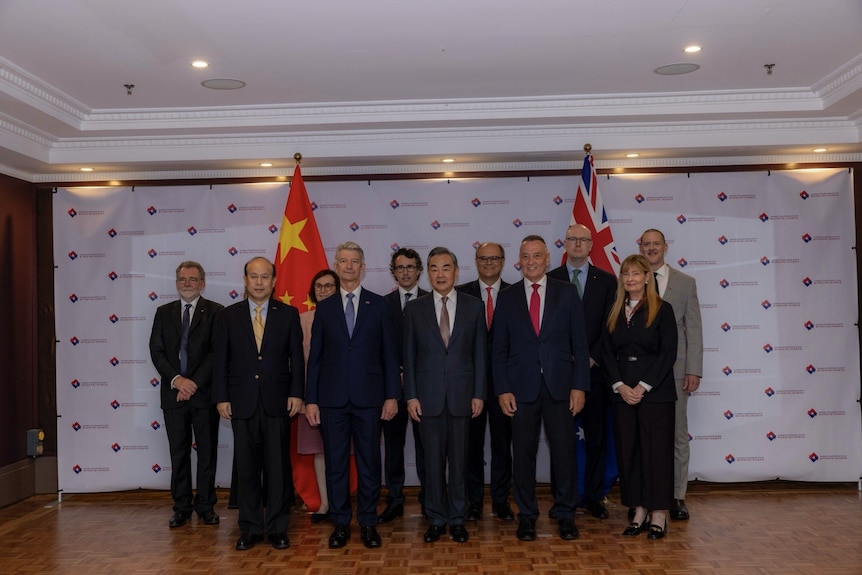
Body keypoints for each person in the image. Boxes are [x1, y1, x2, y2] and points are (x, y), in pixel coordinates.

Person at [492, 235, 590, 542]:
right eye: (525, 256)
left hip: (561, 388)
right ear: (518, 261)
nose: (531, 261)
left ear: (548, 258)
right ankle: (527, 515)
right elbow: (499, 350)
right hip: (521, 390)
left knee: (564, 454)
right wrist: (503, 389)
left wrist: (579, 386)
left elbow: (580, 343)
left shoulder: (566, 292)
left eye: (537, 255)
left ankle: (564, 514)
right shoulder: (507, 298)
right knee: (523, 455)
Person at [305, 241, 401, 550]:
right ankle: (341, 524)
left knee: (370, 463)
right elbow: (316, 357)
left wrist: (391, 396)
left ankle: (369, 523)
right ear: (336, 265)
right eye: (343, 261)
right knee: (335, 466)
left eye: (354, 261)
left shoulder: (380, 305)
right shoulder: (325, 307)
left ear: (363, 267)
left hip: (370, 399)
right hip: (331, 400)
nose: (348, 266)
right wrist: (311, 400)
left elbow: (390, 355)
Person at [212, 257, 304, 551]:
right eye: (254, 276)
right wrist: (222, 397)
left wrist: (297, 393)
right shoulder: (228, 316)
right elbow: (220, 361)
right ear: (245, 280)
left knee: (277, 469)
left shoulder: (289, 314)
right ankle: (250, 528)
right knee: (247, 469)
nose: (260, 282)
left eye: (265, 276)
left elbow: (297, 360)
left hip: (278, 401)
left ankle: (277, 527)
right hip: (241, 402)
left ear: (274, 281)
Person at [404, 247, 486, 544]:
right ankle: (437, 517)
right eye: (434, 268)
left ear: (456, 271)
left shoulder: (474, 306)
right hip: (427, 399)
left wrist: (479, 393)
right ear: (428, 272)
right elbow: (409, 357)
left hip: (464, 397)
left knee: (461, 463)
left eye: (446, 267)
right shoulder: (414, 309)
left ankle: (459, 518)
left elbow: (480, 354)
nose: (440, 274)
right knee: (433, 463)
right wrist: (411, 396)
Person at [601, 254, 677, 540]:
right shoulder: (614, 310)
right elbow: (607, 352)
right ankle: (639, 510)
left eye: (636, 273)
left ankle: (659, 513)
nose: (630, 278)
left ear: (647, 277)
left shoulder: (663, 310)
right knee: (629, 453)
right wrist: (620, 385)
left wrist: (643, 386)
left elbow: (667, 353)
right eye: (626, 274)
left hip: (655, 394)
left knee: (656, 454)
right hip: (622, 395)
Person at [547, 224, 617, 519]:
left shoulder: (609, 281)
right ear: (564, 244)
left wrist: (592, 357)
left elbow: (611, 325)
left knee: (597, 437)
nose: (577, 244)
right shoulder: (549, 280)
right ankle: (563, 497)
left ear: (591, 245)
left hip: (595, 374)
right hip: (558, 375)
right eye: (572, 239)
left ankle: (594, 496)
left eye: (583, 240)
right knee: (560, 439)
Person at [149, 261, 224, 529]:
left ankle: (205, 505)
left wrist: (193, 383)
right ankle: (181, 507)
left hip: (203, 396)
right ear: (176, 283)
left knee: (207, 454)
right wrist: (178, 381)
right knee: (178, 454)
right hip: (173, 395)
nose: (187, 283)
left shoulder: (216, 312)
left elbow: (217, 353)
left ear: (202, 283)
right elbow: (156, 351)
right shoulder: (163, 312)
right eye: (182, 279)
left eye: (193, 279)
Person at [639, 229, 703, 521]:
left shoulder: (685, 283)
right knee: (643, 437)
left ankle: (677, 496)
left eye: (656, 244)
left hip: (675, 372)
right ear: (640, 248)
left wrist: (693, 369)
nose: (651, 249)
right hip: (638, 375)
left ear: (665, 247)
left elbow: (693, 329)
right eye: (646, 244)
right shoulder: (629, 280)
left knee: (676, 435)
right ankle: (642, 497)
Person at [454, 241, 514, 522]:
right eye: (483, 258)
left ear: (503, 261)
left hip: (506, 385)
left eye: (494, 258)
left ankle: (501, 500)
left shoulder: (516, 293)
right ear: (475, 261)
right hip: (469, 386)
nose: (489, 262)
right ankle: (474, 500)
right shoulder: (460, 294)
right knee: (471, 447)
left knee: (503, 445)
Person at [381, 248, 429, 522]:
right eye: (400, 267)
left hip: (424, 388)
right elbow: (377, 346)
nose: (406, 272)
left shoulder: (432, 301)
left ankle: (428, 498)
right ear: (393, 272)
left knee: (426, 448)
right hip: (391, 390)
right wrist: (395, 373)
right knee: (393, 447)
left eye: (411, 267)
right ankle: (395, 499)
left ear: (419, 270)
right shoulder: (382, 304)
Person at [297, 269, 340, 523]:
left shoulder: (347, 317)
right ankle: (324, 504)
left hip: (340, 397)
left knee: (340, 451)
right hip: (311, 398)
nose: (323, 290)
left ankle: (340, 503)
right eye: (319, 286)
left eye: (329, 286)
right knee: (320, 453)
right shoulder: (302, 320)